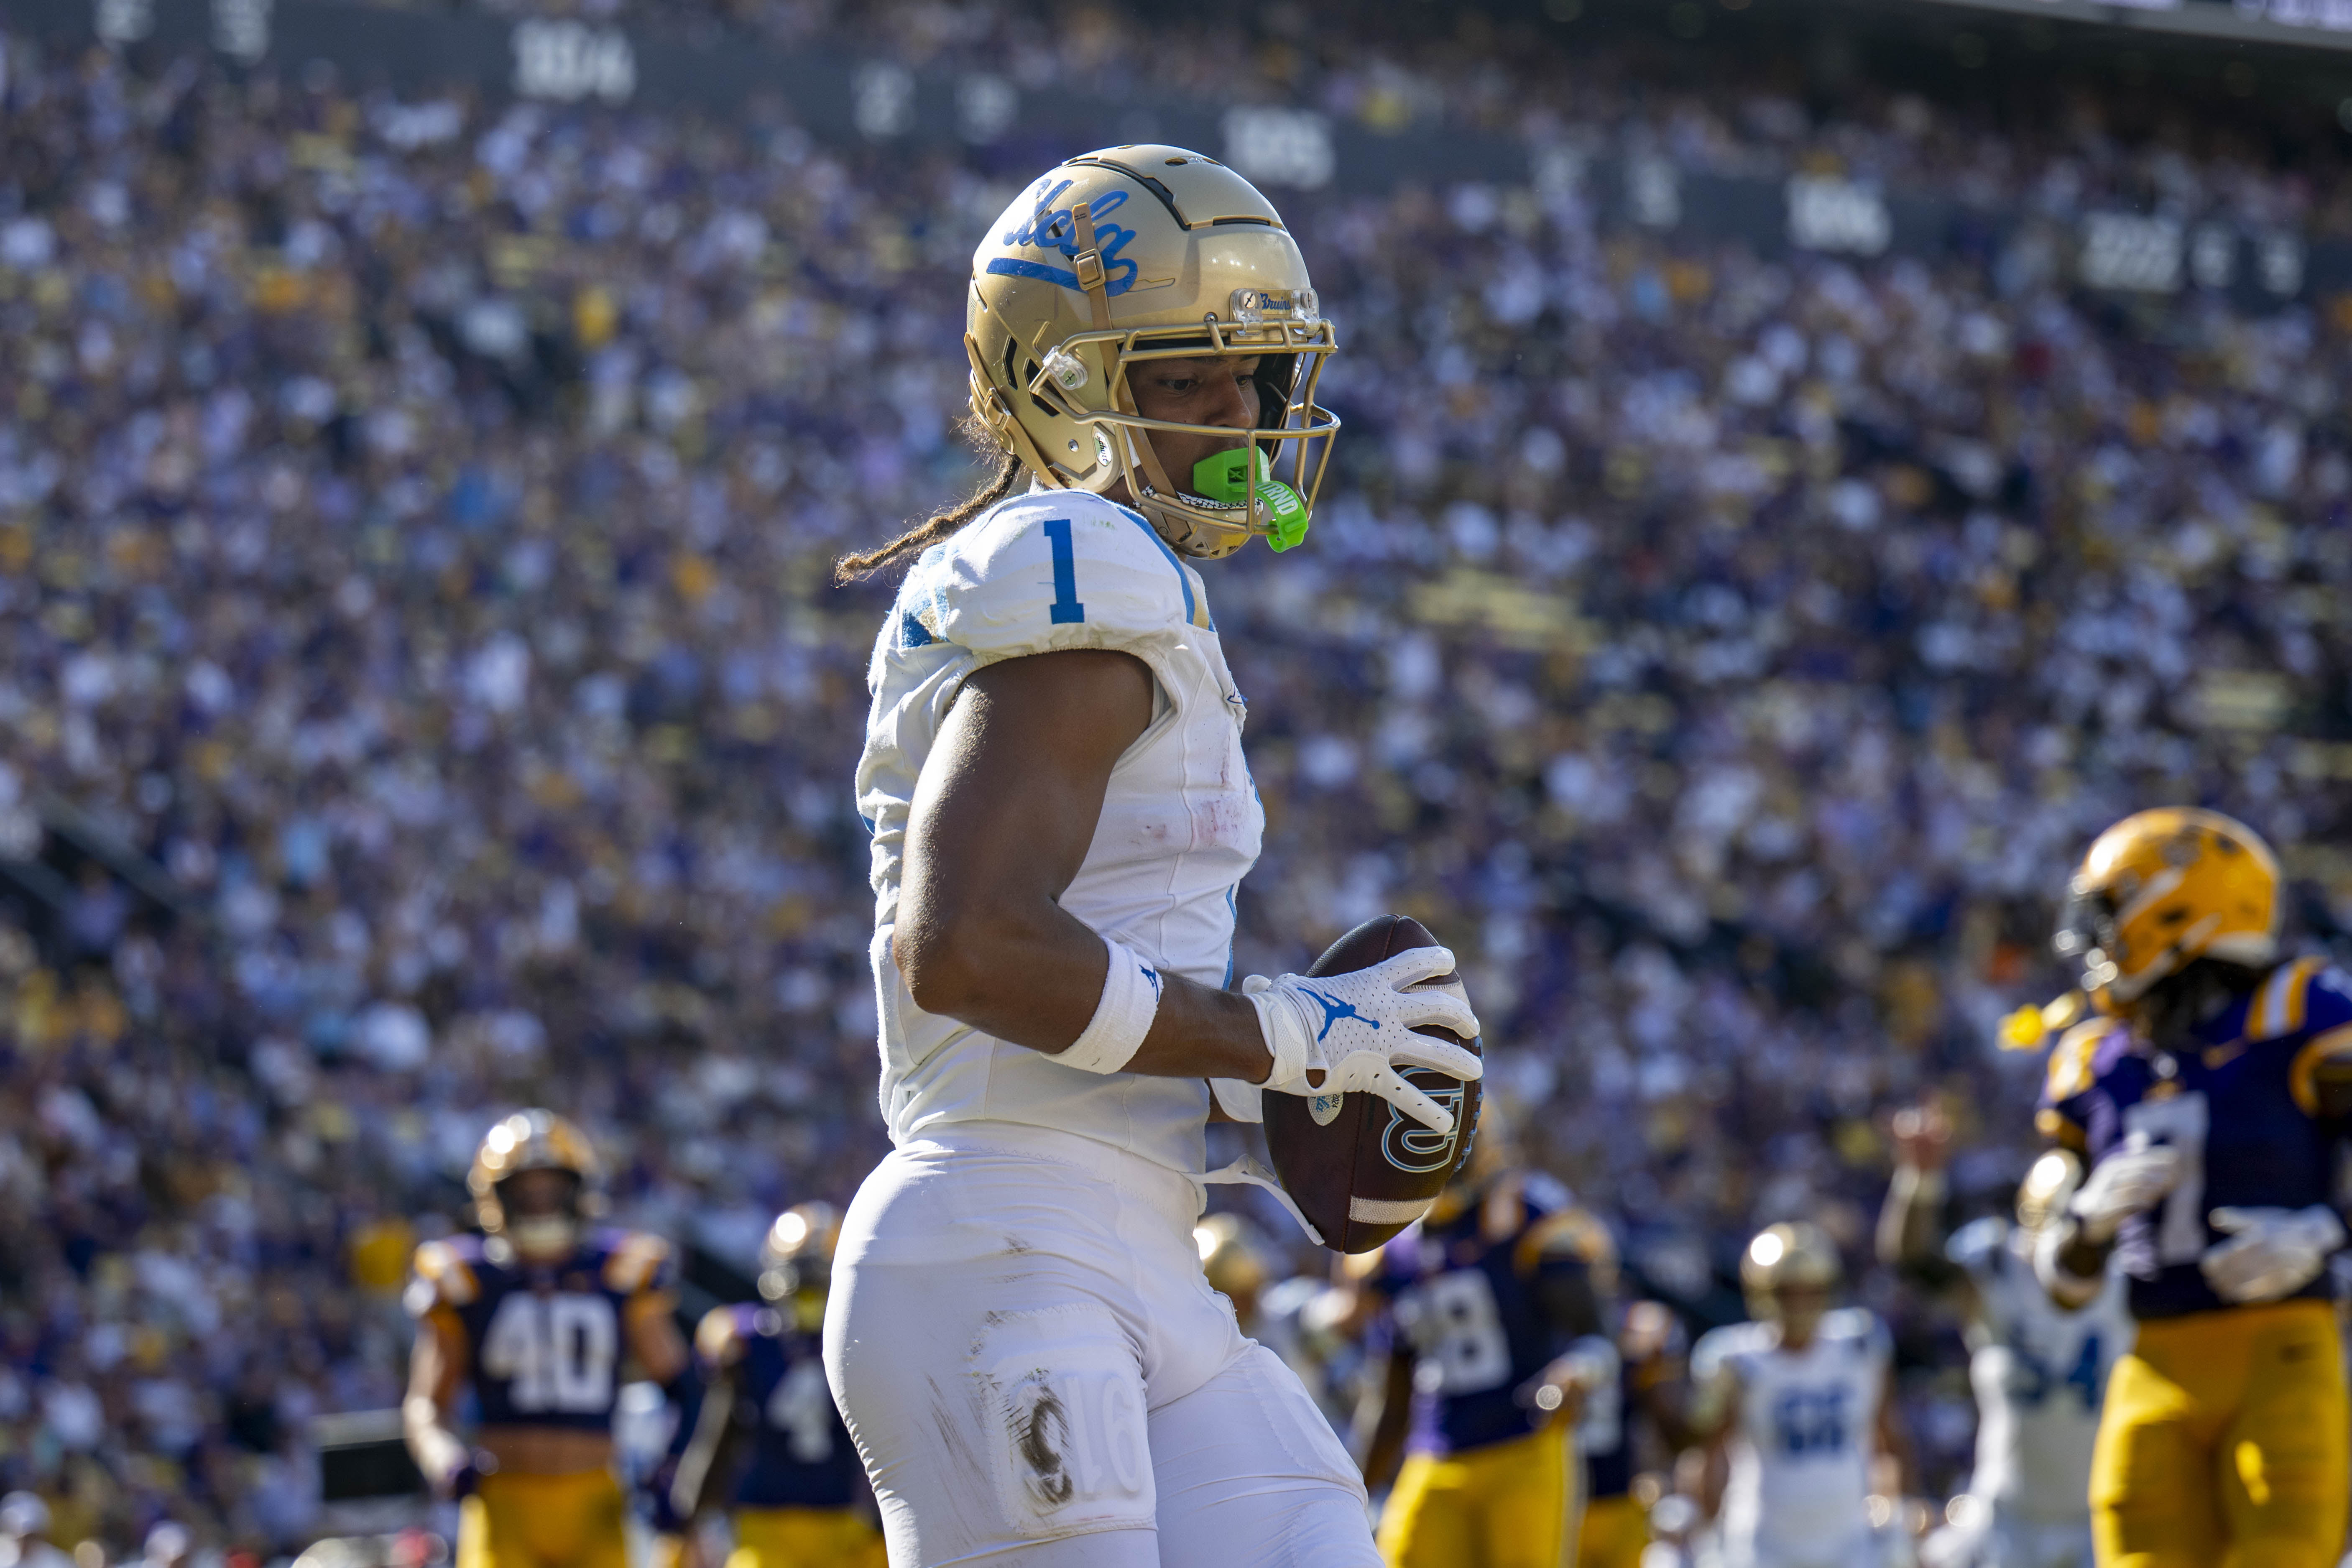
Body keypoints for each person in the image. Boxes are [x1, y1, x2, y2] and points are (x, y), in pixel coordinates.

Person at [824, 144, 1485, 1568]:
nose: (1239, 417)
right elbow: (971, 948)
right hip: (1006, 1242)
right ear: (1068, 392)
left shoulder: (1128, 583)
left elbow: (1078, 978)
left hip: (1120, 1235)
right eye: (1188, 379)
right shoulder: (1077, 556)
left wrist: (1255, 1117)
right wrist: (1282, 1040)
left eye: (1251, 380)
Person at [2029, 809, 2352, 1568]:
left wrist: (2327, 1232)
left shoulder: (2303, 1011)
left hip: (2282, 1348)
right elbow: (2063, 1285)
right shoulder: (2096, 1060)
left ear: (2176, 908)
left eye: (2112, 914)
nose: (2099, 942)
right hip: (2154, 1361)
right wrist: (2083, 1227)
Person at [402, 1111, 689, 1568]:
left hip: (596, 1496)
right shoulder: (464, 1279)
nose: (540, 1204)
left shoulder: (622, 1269)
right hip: (505, 1498)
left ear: (579, 1192)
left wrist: (672, 1466)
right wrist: (444, 1458)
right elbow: (425, 1406)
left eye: (552, 1190)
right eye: (526, 1193)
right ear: (496, 1198)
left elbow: (684, 1388)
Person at [1878, 1105, 2130, 1568]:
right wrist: (1920, 1182)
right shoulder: (2000, 1269)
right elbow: (1912, 1261)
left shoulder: (2125, 1283)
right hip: (2008, 1516)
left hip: (2099, 1513)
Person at [1359, 1144, 1619, 1568]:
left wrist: (1576, 1372)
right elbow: (1393, 1398)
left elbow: (1596, 1335)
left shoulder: (1522, 1217)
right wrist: (1352, 1490)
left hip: (1523, 1445)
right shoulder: (1394, 1249)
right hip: (1436, 1452)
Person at [652, 1203, 880, 1568]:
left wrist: (685, 1519)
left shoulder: (864, 1343)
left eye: (817, 1283)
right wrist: (686, 1519)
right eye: (802, 1283)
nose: (809, 1296)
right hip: (769, 1530)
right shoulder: (747, 1342)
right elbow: (720, 1435)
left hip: (844, 1530)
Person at [1685, 1223, 1910, 1568]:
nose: (1800, 1303)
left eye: (1810, 1290)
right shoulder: (1737, 1361)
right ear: (1763, 1293)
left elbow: (1889, 1440)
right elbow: (1709, 1457)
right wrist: (1706, 1536)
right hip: (1764, 1545)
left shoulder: (1860, 1346)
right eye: (1788, 1292)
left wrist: (1895, 1513)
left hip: (1848, 1543)